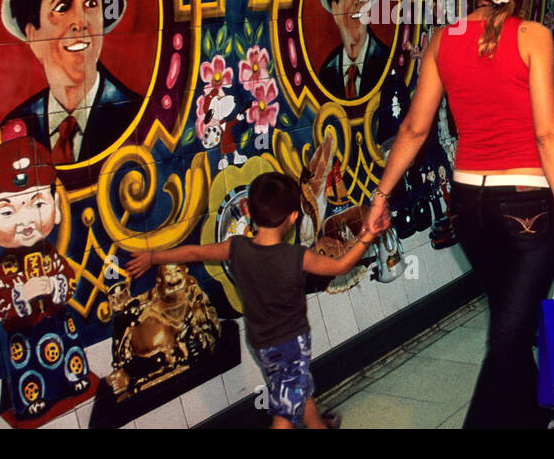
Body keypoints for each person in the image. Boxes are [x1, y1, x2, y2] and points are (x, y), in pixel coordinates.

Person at [369, 0, 554, 429]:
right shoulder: (534, 37)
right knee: (506, 339)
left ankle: (534, 414)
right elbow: (549, 134)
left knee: (511, 320)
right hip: (528, 211)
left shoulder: (443, 41)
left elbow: (414, 128)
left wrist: (381, 195)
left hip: (469, 209)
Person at [125, 172, 387, 428]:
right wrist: (366, 236)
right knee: (285, 413)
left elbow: (193, 251)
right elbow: (340, 266)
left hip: (261, 342)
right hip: (289, 344)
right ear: (293, 217)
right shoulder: (296, 257)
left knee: (295, 387)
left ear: (248, 210)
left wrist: (153, 258)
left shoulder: (236, 248)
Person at [0, 124, 92, 421]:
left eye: (37, 203)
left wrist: (55, 287)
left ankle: (73, 380)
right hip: (24, 336)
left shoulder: (50, 254)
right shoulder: (4, 269)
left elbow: (68, 277)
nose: (25, 220)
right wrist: (21, 296)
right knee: (26, 368)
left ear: (56, 207)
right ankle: (32, 401)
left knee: (70, 352)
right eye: (7, 212)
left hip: (56, 323)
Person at [2, 0, 140, 163]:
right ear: (33, 35)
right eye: (63, 6)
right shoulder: (18, 126)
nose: (81, 21)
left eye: (91, 2)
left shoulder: (134, 114)